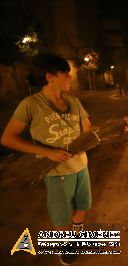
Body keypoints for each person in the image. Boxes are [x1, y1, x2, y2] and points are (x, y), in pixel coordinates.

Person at [1, 54, 93, 265]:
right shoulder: (31, 105)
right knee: (62, 215)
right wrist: (47, 152)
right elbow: (7, 138)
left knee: (82, 206)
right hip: (57, 172)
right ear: (50, 77)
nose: (70, 78)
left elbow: (87, 129)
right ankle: (66, 245)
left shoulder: (74, 101)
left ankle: (77, 237)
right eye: (65, 74)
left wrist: (108, 131)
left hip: (81, 165)